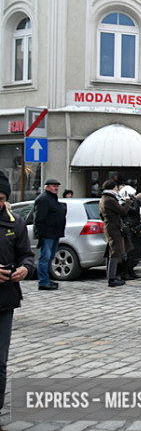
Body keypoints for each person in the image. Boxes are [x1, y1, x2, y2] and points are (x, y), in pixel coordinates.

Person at [0, 171, 35, 422]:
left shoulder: (15, 222)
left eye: (1, 198)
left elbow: (26, 255)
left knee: (0, 362)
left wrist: (25, 268)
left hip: (4, 301)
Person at [34, 178, 66, 290]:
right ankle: (43, 281)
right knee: (45, 257)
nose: (56, 188)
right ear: (47, 187)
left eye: (57, 186)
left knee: (50, 257)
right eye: (53, 186)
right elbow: (39, 219)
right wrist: (41, 235)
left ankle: (46, 279)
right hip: (47, 234)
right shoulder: (43, 199)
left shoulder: (53, 199)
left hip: (55, 233)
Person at [99, 180, 133, 287]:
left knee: (112, 252)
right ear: (113, 188)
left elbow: (101, 215)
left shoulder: (104, 198)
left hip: (110, 226)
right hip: (113, 228)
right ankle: (112, 278)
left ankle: (111, 276)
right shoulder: (109, 199)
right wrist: (128, 202)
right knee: (114, 252)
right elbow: (122, 211)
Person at [118, 186, 141, 280]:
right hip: (129, 229)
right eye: (133, 194)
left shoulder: (131, 201)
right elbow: (133, 211)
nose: (134, 196)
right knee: (129, 252)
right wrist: (132, 200)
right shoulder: (123, 202)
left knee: (135, 252)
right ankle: (126, 272)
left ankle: (130, 270)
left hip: (135, 228)